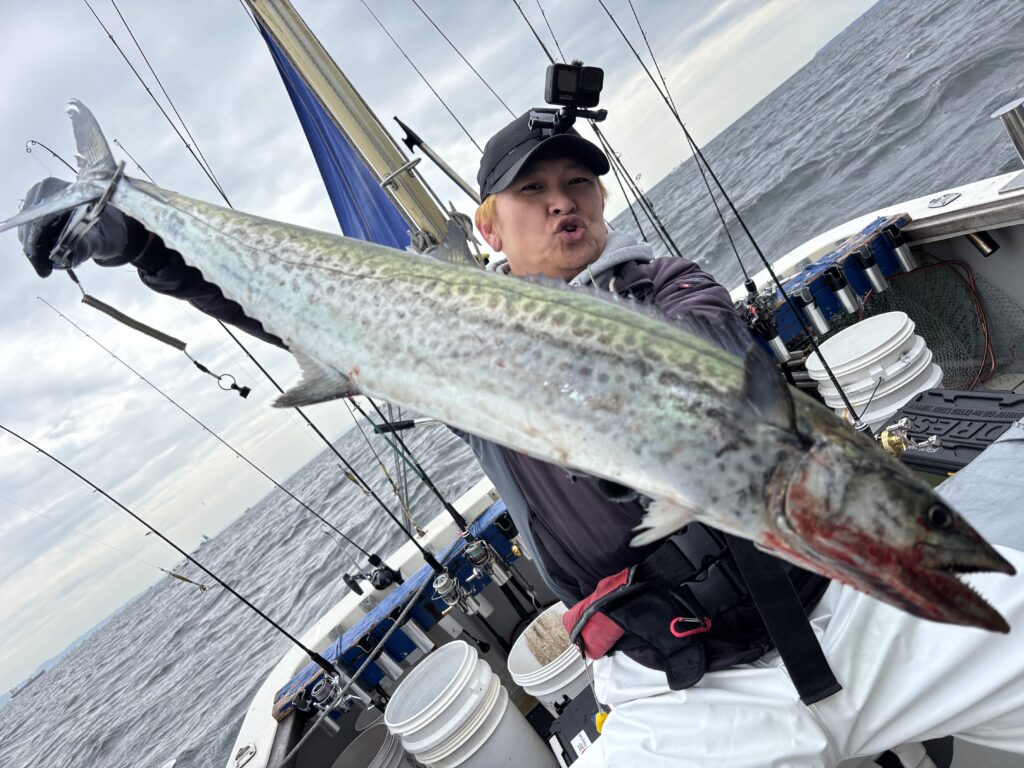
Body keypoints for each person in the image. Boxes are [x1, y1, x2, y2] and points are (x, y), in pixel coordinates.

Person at [18, 113, 1024, 768]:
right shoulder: (440, 325)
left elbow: (714, 358)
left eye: (579, 184)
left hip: (847, 615)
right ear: (487, 227)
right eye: (534, 191)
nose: (562, 201)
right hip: (682, 692)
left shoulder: (669, 286)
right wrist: (144, 246)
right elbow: (293, 311)